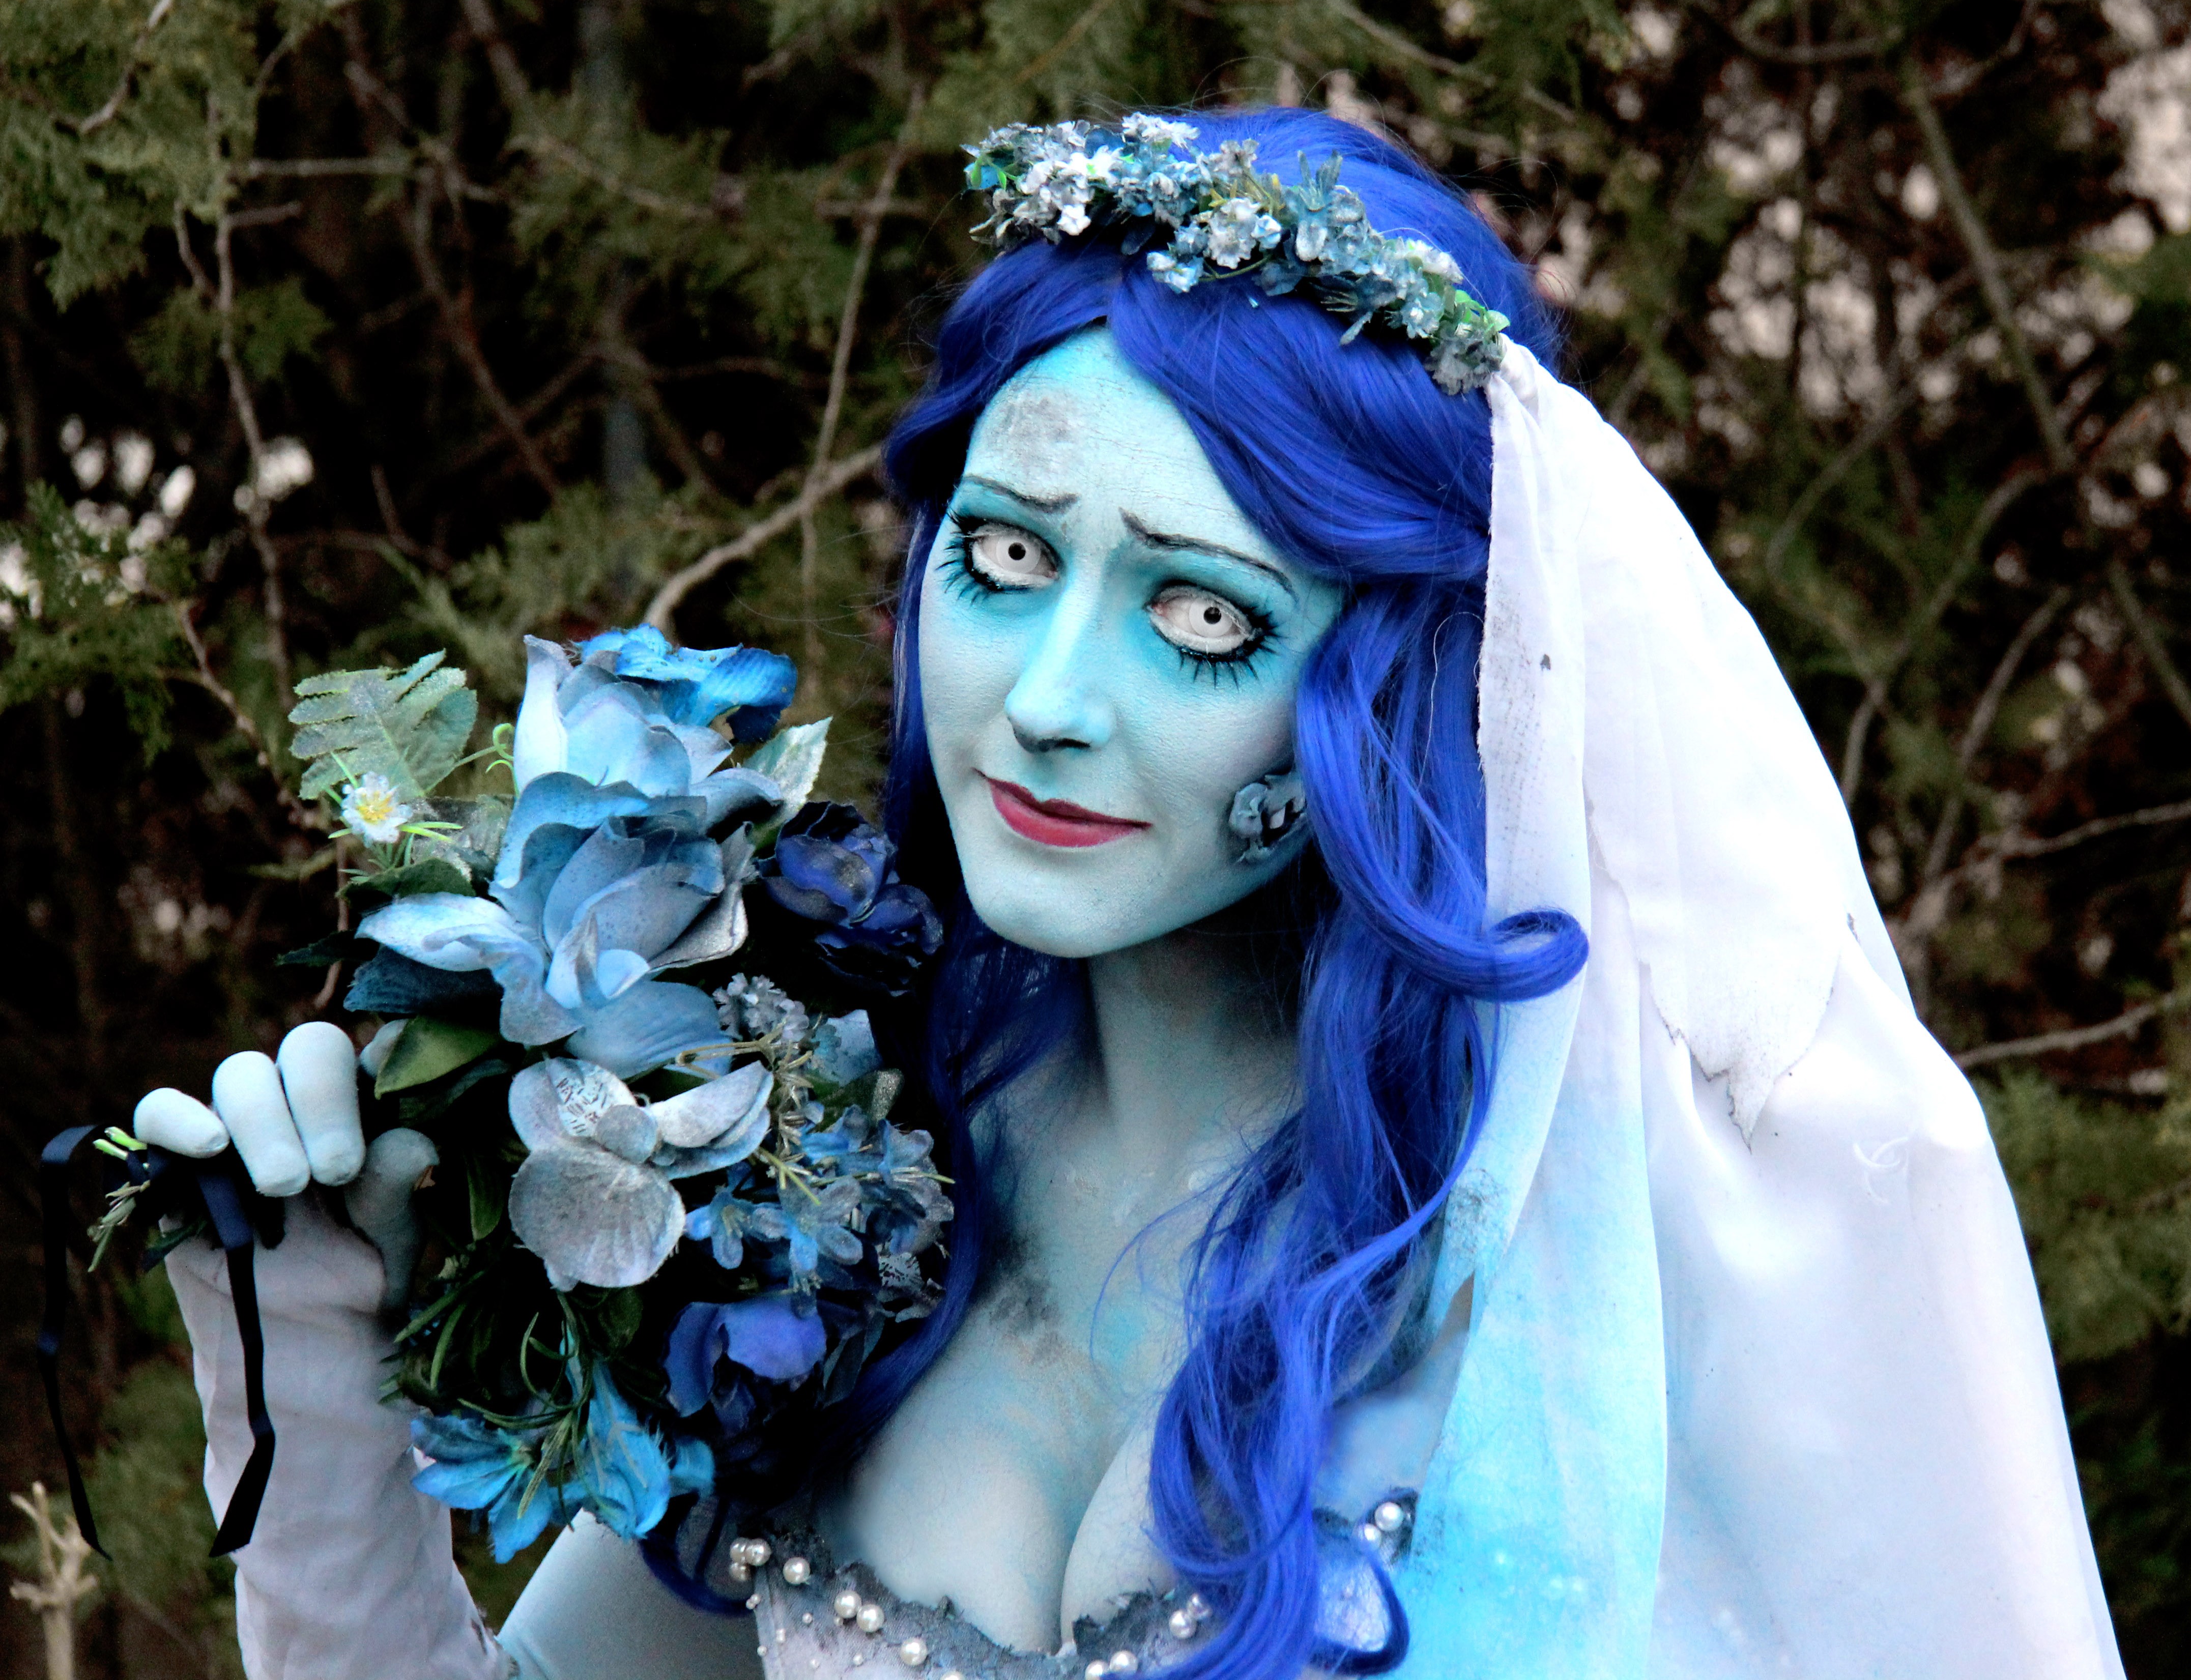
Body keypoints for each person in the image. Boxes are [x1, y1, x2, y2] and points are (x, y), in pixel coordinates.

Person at [137, 107, 2123, 1680]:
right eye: (1006, 560)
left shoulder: (1587, 1247)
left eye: (1200, 614)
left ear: (1384, 696)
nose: (1050, 701)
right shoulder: (841, 1185)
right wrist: (297, 1359)